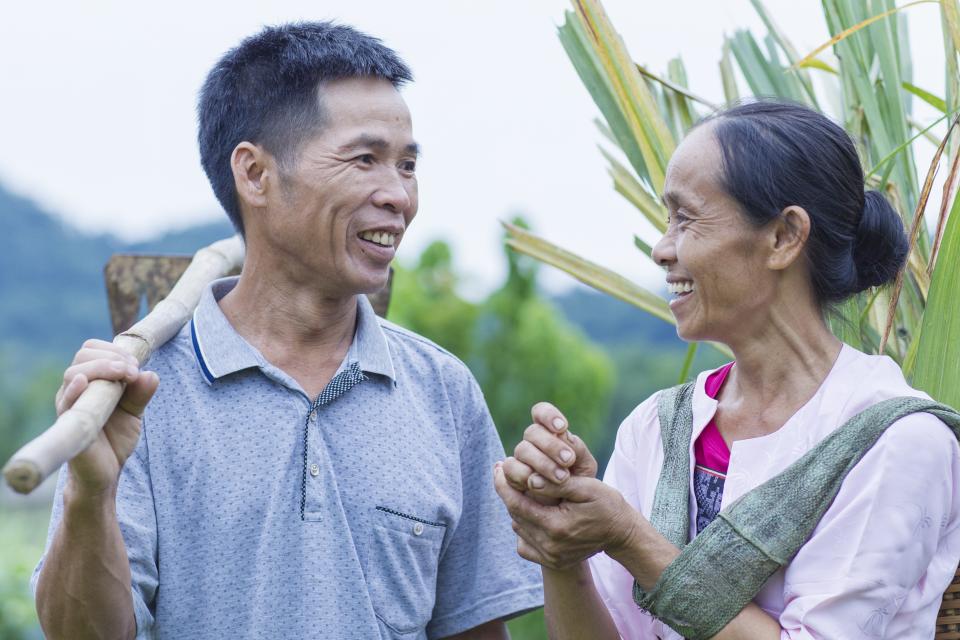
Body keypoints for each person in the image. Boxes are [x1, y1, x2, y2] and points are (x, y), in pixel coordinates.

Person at [32, 22, 542, 640]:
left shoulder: (443, 392)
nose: (399, 197)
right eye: (365, 159)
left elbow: (472, 629)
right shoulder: (140, 396)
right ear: (255, 175)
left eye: (407, 165)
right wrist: (90, 494)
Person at [494, 101, 960, 638]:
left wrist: (626, 536)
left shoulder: (895, 442)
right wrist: (563, 546)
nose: (661, 249)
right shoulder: (658, 429)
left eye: (685, 218)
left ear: (784, 237)